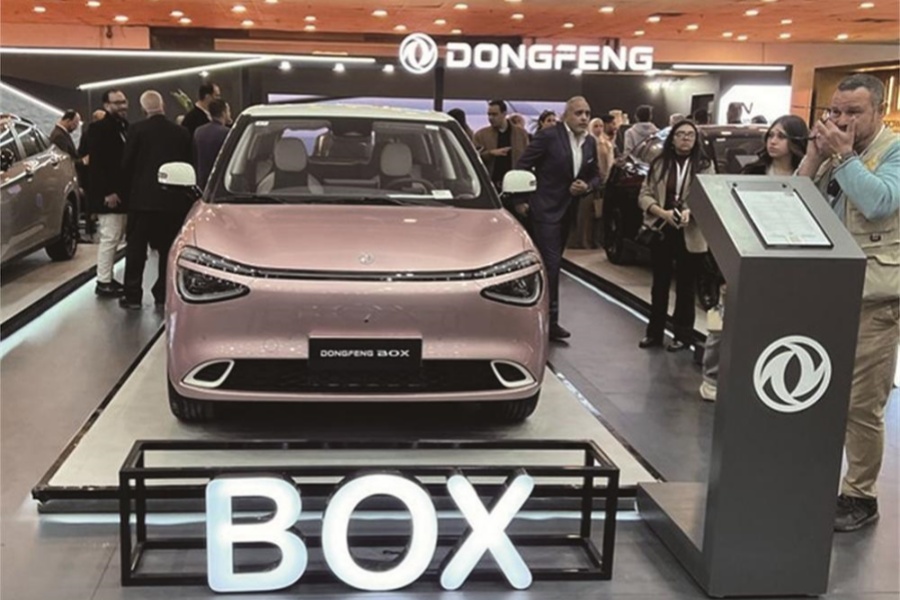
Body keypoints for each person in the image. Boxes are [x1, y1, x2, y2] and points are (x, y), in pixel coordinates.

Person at [797, 73, 899, 532]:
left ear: (879, 111)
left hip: (873, 299)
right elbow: (796, 203)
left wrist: (843, 156)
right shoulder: (834, 154)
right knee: (819, 393)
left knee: (860, 405)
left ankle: (860, 495)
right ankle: (815, 480)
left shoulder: (893, 152)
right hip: (825, 291)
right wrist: (813, 157)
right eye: (835, 112)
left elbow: (879, 202)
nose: (841, 121)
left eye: (853, 112)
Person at [700, 115, 809, 401]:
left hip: (789, 261)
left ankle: (759, 379)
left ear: (796, 141)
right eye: (771, 135)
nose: (773, 141)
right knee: (723, 321)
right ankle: (711, 376)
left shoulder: (808, 176)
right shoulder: (753, 172)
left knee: (770, 323)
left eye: (781, 136)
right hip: (748, 256)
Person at [516, 96, 601, 341]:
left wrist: (586, 186)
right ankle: (546, 322)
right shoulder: (549, 136)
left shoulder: (590, 142)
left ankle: (547, 321)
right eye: (578, 113)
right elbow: (522, 165)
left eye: (587, 113)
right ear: (566, 115)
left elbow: (596, 175)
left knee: (553, 266)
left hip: (569, 211)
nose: (584, 118)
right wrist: (521, 200)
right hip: (545, 210)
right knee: (551, 266)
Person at [637, 119, 715, 351]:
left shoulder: (704, 165)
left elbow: (710, 195)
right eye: (680, 134)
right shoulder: (660, 163)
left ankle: (683, 335)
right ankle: (654, 333)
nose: (685, 138)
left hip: (690, 231)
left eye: (690, 135)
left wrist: (691, 212)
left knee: (686, 286)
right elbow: (644, 194)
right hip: (662, 228)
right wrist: (662, 212)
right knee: (659, 285)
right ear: (672, 139)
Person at [119, 90, 193, 309]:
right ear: (163, 106)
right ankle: (163, 292)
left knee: (136, 249)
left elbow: (127, 164)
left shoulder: (136, 130)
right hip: (173, 201)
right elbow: (189, 163)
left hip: (142, 201)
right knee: (168, 249)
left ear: (143, 109)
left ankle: (133, 295)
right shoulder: (181, 132)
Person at [86, 89, 129, 297]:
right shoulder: (99, 129)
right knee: (110, 237)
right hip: (109, 195)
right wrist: (107, 192)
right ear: (106, 105)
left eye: (124, 101)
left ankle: (108, 278)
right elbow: (97, 165)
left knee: (115, 236)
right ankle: (103, 281)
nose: (122, 106)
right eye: (117, 103)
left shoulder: (125, 127)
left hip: (123, 193)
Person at [473, 99, 530, 190]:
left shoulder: (521, 134)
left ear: (504, 114)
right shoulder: (481, 135)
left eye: (494, 114)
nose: (491, 118)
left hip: (516, 184)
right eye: (489, 114)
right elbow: (474, 157)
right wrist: (490, 153)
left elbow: (527, 157)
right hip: (491, 184)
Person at [193, 98, 230, 189]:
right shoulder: (227, 133)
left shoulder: (198, 131)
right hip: (220, 181)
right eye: (228, 111)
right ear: (223, 113)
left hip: (201, 181)